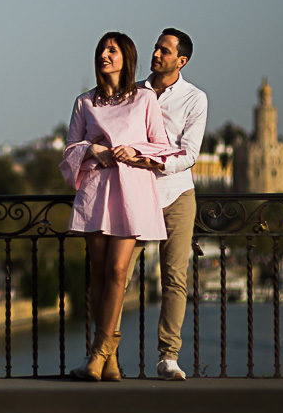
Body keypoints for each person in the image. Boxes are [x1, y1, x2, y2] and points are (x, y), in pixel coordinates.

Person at [59, 33, 182, 381]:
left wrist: (136, 152)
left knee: (117, 271)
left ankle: (99, 352)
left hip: (132, 191)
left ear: (126, 58)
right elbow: (68, 151)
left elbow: (163, 148)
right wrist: (91, 150)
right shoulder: (85, 103)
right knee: (98, 273)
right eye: (101, 50)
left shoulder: (144, 99)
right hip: (97, 191)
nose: (104, 55)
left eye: (111, 50)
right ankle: (108, 363)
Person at [137, 28, 208, 380]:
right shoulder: (135, 92)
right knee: (117, 274)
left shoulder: (195, 98)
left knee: (175, 279)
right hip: (137, 193)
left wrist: (157, 162)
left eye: (164, 50)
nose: (156, 53)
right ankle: (104, 352)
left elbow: (190, 153)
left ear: (181, 60)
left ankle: (169, 357)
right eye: (155, 47)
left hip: (177, 194)